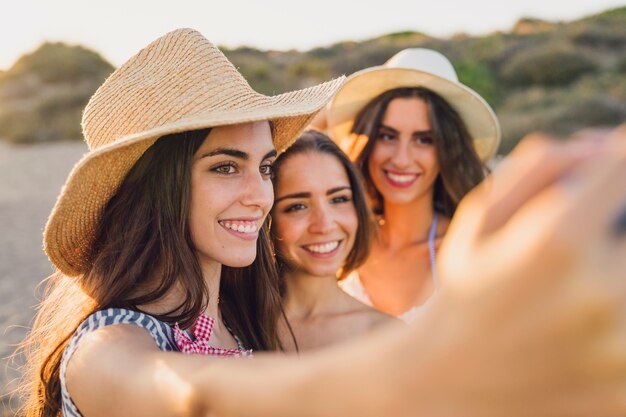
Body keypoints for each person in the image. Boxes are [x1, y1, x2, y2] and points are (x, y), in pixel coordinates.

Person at [19, 27, 626, 417]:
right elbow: (193, 398)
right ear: (157, 189)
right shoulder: (109, 344)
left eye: (265, 167)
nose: (259, 195)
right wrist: (440, 362)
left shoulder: (248, 322)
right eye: (226, 168)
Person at [326, 48, 501, 321]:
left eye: (424, 139)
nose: (401, 159)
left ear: (448, 150)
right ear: (368, 141)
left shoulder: (472, 249)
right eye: (387, 136)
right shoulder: (337, 243)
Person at [270, 130, 396, 352]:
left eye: (339, 199)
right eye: (298, 206)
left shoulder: (387, 335)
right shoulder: (228, 328)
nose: (325, 225)